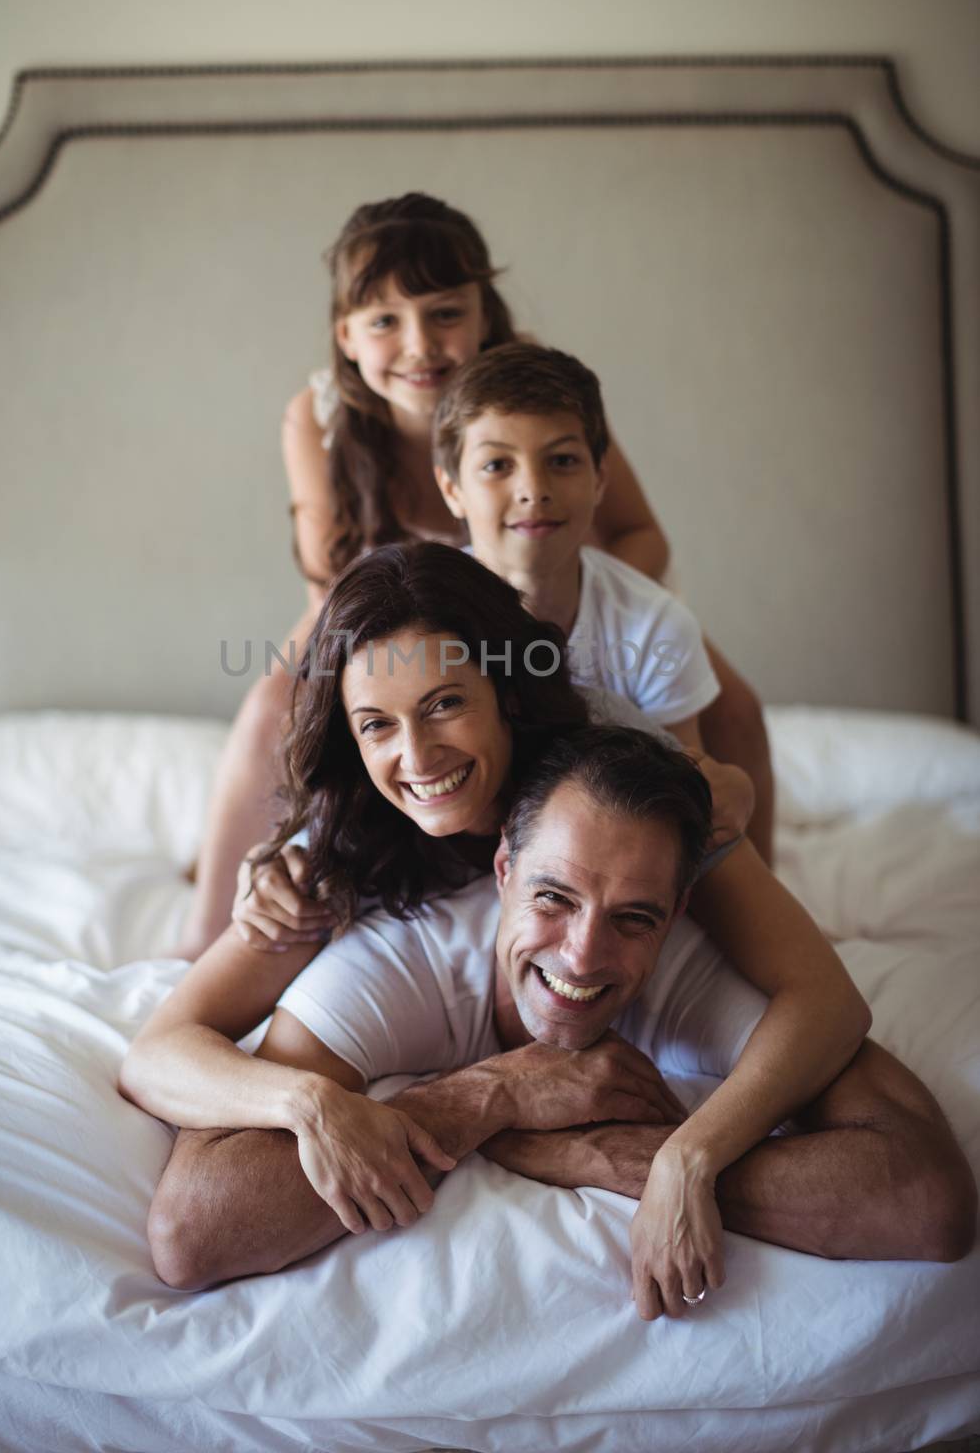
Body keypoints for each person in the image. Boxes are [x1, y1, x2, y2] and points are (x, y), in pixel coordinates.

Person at [122, 545, 872, 1307]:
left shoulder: (615, 792)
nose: (416, 756)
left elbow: (825, 997)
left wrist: (688, 1158)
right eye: (376, 723)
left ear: (506, 692)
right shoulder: (340, 846)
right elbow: (158, 1053)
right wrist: (308, 1104)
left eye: (445, 702)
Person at [143, 727, 976, 1313]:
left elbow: (929, 1201)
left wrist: (631, 1161)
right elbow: (192, 1233)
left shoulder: (690, 961)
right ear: (502, 869)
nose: (582, 957)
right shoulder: (404, 958)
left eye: (632, 918)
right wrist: (488, 1096)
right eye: (551, 898)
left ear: (678, 908)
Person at [177, 192, 773, 956]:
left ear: (484, 314)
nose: (420, 344)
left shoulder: (535, 398)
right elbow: (329, 580)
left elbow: (637, 529)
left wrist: (572, 612)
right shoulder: (319, 418)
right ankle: (213, 919)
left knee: (735, 707)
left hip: (563, 583)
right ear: (347, 337)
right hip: (389, 609)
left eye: (444, 313)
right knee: (273, 703)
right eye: (386, 320)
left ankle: (762, 896)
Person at [431, 339, 719, 750]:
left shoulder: (654, 626)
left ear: (600, 478)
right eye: (497, 465)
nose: (533, 490)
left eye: (562, 460)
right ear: (452, 488)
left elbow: (685, 791)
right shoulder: (422, 620)